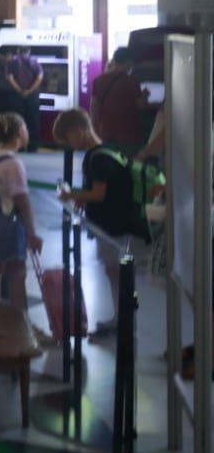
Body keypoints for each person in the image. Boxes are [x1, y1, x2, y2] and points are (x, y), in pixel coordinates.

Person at [55, 108, 156, 333]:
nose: (69, 144)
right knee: (116, 273)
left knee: (116, 273)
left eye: (68, 138)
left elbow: (99, 194)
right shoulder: (107, 150)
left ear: (78, 130)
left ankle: (123, 319)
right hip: (119, 221)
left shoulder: (97, 158)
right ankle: (122, 316)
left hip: (112, 225)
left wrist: (70, 195)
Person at [0, 113, 46, 346]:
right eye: (25, 127)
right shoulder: (14, 164)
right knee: (17, 273)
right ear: (18, 132)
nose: (28, 132)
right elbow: (23, 201)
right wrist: (32, 232)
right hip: (8, 224)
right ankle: (21, 325)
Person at [90, 47, 147, 148]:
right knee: (125, 162)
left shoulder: (99, 80)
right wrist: (145, 95)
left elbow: (94, 107)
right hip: (127, 133)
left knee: (109, 160)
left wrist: (95, 128)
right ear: (128, 62)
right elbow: (141, 106)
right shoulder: (132, 81)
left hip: (106, 132)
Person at [5, 45, 44, 145]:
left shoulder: (12, 62)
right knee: (33, 120)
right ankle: (33, 145)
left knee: (17, 120)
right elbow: (39, 77)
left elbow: (10, 78)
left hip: (16, 95)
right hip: (32, 95)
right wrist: (29, 90)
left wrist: (19, 90)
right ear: (29, 51)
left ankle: (18, 144)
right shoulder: (35, 61)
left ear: (18, 51)